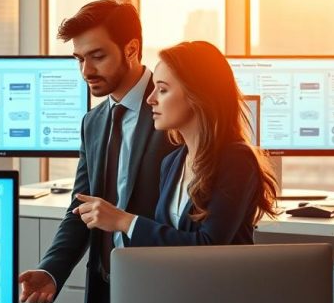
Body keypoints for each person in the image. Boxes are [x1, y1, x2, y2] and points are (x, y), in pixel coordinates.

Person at [18, 0, 176, 303]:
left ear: (131, 48)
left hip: (163, 288)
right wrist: (52, 270)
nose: (86, 71)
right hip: (105, 289)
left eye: (98, 56)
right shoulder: (94, 121)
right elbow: (81, 207)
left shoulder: (173, 108)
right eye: (80, 59)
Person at [73, 40, 278, 249]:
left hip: (219, 281)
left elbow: (208, 245)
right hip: (176, 281)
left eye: (162, 90)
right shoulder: (172, 162)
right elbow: (166, 241)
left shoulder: (236, 161)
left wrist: (123, 221)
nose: (150, 99)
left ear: (197, 95)